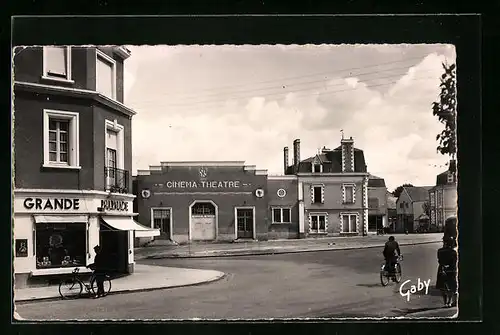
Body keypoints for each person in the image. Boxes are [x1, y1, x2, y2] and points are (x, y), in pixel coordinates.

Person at [436, 237, 458, 307]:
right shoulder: (454, 252)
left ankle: (445, 302)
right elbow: (455, 262)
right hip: (451, 270)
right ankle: (449, 301)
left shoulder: (440, 251)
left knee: (442, 287)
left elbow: (439, 260)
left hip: (442, 269)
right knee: (451, 286)